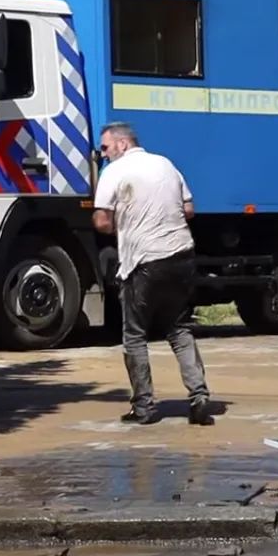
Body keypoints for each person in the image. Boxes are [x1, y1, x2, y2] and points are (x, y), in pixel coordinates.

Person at [92, 122, 213, 426]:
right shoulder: (166, 164)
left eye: (105, 148)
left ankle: (143, 407)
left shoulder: (114, 172)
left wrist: (125, 223)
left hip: (144, 262)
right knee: (179, 329)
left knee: (134, 335)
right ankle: (199, 398)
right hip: (182, 257)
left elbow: (102, 222)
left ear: (121, 144)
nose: (103, 154)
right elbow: (188, 210)